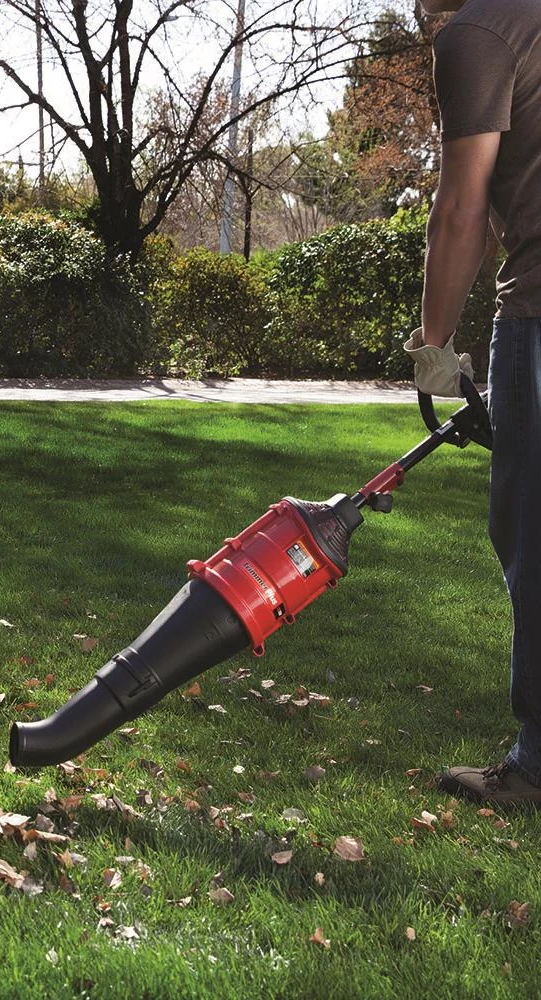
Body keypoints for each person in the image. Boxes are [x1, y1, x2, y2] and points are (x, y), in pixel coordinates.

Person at [405, 0, 541, 803]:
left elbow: (462, 212)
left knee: (533, 534)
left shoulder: (480, 33)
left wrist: (434, 354)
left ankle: (538, 766)